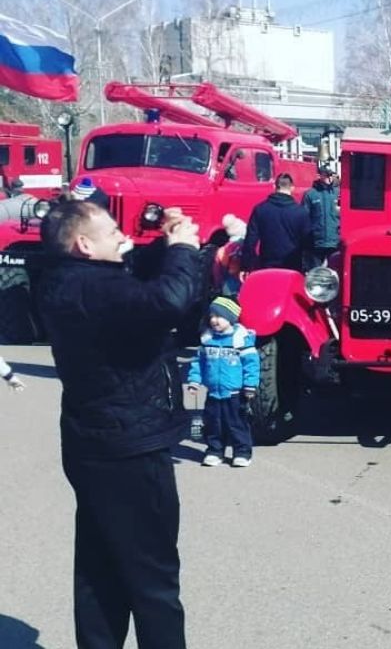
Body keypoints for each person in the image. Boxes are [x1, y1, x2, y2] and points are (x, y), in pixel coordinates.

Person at [36, 199, 202, 649]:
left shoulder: (64, 279)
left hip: (92, 444)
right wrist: (184, 250)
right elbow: (168, 301)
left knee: (100, 570)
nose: (123, 238)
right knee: (154, 582)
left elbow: (130, 270)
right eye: (113, 233)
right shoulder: (95, 289)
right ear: (84, 245)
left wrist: (174, 241)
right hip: (129, 447)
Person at [187, 296, 261, 467]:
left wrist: (250, 385)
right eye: (212, 316)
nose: (214, 320)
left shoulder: (240, 340)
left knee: (236, 424)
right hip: (213, 392)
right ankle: (214, 451)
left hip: (234, 393)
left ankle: (242, 452)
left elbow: (251, 364)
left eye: (219, 316)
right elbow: (199, 363)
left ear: (231, 318)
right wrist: (194, 380)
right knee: (213, 423)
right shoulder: (207, 341)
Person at [242, 173, 311, 271]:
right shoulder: (301, 212)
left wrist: (245, 266)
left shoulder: (260, 209)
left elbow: (250, 241)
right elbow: (308, 243)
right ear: (292, 188)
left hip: (266, 266)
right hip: (293, 267)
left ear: (274, 187)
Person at [302, 164, 341, 269]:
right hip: (317, 242)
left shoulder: (338, 193)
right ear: (320, 176)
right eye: (327, 175)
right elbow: (304, 219)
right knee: (316, 273)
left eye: (331, 175)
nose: (330, 178)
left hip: (335, 241)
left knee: (335, 272)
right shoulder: (310, 194)